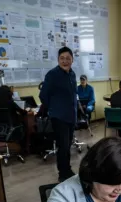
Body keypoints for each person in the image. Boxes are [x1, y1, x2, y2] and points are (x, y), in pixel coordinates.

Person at [40, 47, 78, 182]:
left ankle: (67, 168)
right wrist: (54, 108)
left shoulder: (72, 75)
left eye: (68, 58)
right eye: (62, 58)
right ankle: (63, 173)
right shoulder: (52, 75)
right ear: (58, 60)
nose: (65, 61)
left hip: (71, 116)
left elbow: (73, 95)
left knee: (68, 145)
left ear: (72, 60)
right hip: (59, 116)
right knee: (63, 146)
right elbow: (43, 96)